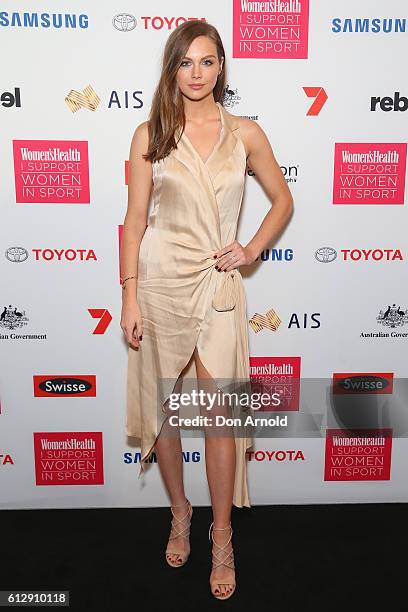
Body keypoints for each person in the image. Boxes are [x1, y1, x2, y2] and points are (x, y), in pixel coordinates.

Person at [120, 20, 293, 601]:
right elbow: (135, 222)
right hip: (162, 286)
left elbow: (282, 198)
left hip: (218, 288)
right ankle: (179, 511)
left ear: (222, 67)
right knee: (167, 412)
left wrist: (251, 250)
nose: (197, 73)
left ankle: (222, 536)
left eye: (208, 61)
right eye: (185, 62)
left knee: (219, 418)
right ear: (172, 68)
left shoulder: (245, 133)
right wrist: (128, 293)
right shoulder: (151, 135)